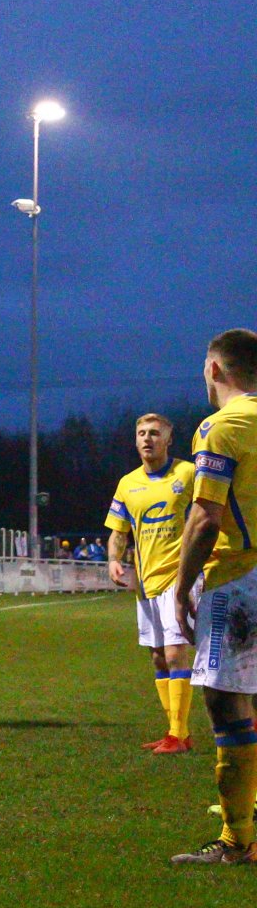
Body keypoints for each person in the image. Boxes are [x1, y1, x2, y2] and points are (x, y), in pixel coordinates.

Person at [171, 329, 257, 863]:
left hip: (239, 580)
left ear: (214, 370)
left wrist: (182, 586)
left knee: (226, 704)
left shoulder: (221, 426)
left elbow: (205, 516)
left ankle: (235, 842)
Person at [103, 413, 197, 755]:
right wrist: (114, 559)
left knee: (175, 652)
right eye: (142, 433)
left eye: (155, 433)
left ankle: (179, 733)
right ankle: (175, 730)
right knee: (158, 657)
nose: (147, 438)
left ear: (168, 439)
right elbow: (118, 532)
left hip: (180, 576)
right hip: (146, 581)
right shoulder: (128, 484)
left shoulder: (187, 474)